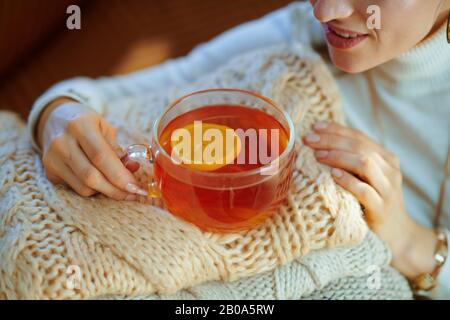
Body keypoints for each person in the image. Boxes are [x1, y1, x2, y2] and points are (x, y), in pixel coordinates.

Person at [28, 0, 450, 298]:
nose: (326, 10)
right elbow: (93, 96)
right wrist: (56, 117)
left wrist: (414, 245)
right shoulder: (297, 34)